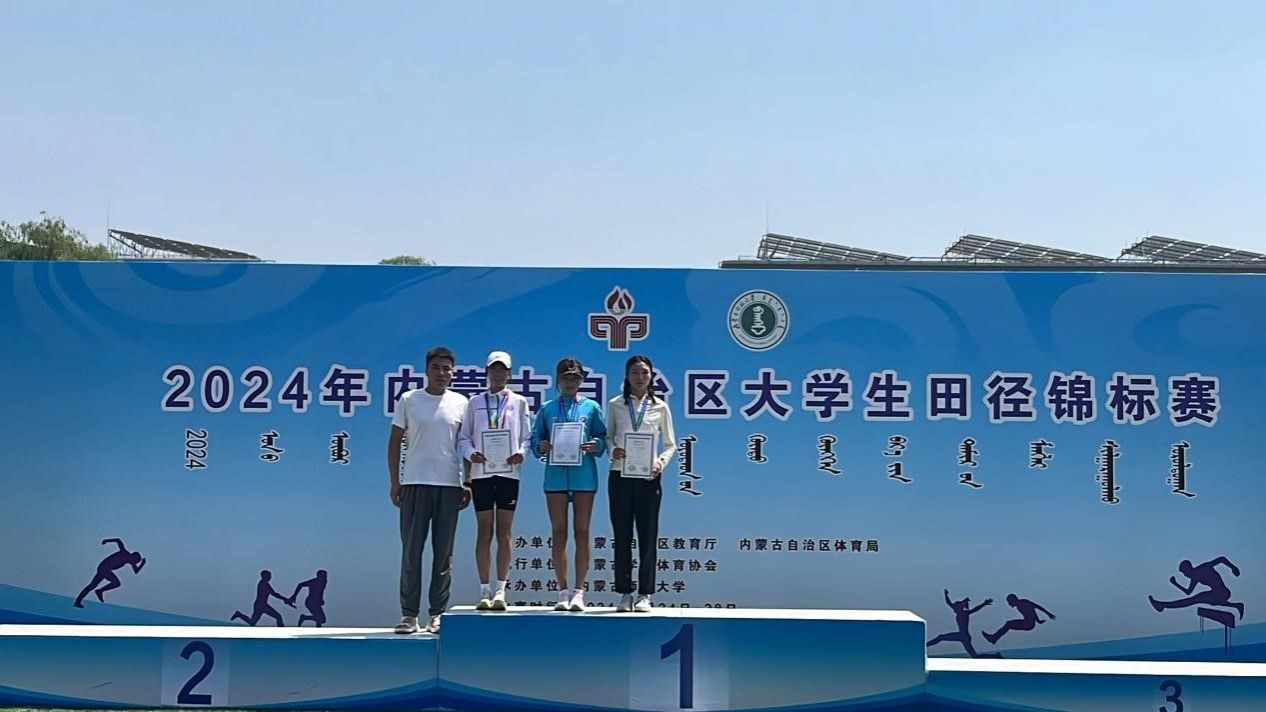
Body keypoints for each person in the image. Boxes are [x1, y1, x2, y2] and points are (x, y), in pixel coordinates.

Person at [388, 346, 471, 634]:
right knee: (412, 552)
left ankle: (437, 613)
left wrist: (468, 482)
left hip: (449, 485)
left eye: (446, 368)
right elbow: (395, 441)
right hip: (414, 483)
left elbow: (466, 445)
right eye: (436, 367)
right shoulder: (409, 399)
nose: (441, 373)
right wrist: (395, 482)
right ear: (426, 370)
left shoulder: (461, 403)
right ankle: (409, 614)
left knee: (443, 554)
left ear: (453, 372)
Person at [457, 350, 532, 611]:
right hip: (481, 473)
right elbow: (463, 437)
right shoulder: (474, 402)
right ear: (487, 372)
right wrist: (471, 454)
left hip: (509, 472)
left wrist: (521, 453)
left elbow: (527, 437)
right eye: (494, 369)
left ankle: (501, 589)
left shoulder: (519, 402)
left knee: (505, 531)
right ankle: (484, 590)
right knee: (484, 531)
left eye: (502, 369)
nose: (498, 374)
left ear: (509, 373)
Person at [532, 357, 607, 612]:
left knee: (582, 531)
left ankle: (579, 592)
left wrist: (596, 445)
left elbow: (602, 437)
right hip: (555, 476)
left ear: (581, 380)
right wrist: (540, 446)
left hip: (584, 475)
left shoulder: (591, 407)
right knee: (559, 532)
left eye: (575, 377)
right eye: (566, 377)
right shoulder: (547, 408)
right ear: (558, 380)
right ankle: (562, 591)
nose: (570, 381)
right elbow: (536, 438)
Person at [606, 355, 677, 612]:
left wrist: (660, 462)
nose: (640, 377)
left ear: (651, 376)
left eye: (644, 372)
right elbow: (608, 437)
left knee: (648, 536)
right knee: (622, 535)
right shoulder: (615, 404)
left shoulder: (660, 407)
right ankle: (624, 593)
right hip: (620, 476)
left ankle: (645, 593)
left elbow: (670, 444)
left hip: (649, 478)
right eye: (635, 372)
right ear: (627, 376)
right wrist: (613, 450)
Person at [1149, 557, 1244, 619]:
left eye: (1184, 573)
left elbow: (1221, 559)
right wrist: (1176, 584)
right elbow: (1188, 592)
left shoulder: (1203, 568)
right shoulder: (1195, 577)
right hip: (1217, 594)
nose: (1185, 575)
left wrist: (1233, 567)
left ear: (1188, 569)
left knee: (1194, 600)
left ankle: (1163, 605)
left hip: (1222, 593)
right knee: (1195, 600)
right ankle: (1237, 606)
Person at [73, 537, 146, 608]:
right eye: (134, 561)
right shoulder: (124, 553)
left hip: (106, 569)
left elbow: (136, 571)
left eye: (134, 562)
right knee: (114, 583)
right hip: (104, 567)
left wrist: (142, 564)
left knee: (93, 585)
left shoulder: (130, 560)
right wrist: (106, 541)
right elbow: (118, 540)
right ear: (132, 556)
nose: (133, 563)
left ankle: (80, 601)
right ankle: (99, 591)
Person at [983, 594, 1055, 645]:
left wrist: (1048, 614)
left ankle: (993, 638)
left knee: (1008, 624)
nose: (1009, 604)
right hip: (1029, 623)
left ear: (1012, 601)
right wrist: (1038, 620)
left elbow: (1036, 607)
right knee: (1008, 624)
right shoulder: (1021, 603)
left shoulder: (1021, 604)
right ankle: (994, 638)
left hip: (1028, 624)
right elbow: (1032, 610)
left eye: (1009, 602)